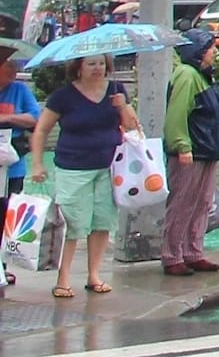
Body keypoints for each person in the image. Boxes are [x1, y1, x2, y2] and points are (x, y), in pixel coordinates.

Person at [31, 55, 141, 300]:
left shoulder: (116, 90)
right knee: (73, 222)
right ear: (78, 68)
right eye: (91, 64)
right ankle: (63, 278)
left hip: (109, 167)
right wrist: (37, 163)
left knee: (102, 221)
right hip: (73, 168)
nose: (97, 68)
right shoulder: (63, 96)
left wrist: (122, 105)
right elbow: (42, 129)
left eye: (101, 64)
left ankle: (94, 275)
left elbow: (132, 126)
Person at [160, 31, 219, 278]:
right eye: (211, 48)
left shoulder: (202, 76)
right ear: (199, 50)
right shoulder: (187, 76)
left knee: (202, 202)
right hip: (193, 150)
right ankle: (172, 254)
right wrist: (182, 145)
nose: (214, 52)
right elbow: (177, 114)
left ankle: (193, 251)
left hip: (207, 148)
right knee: (183, 202)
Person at [0, 43, 37, 206]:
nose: (13, 72)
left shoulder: (20, 90)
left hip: (13, 162)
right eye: (8, 68)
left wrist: (6, 118)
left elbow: (35, 118)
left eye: (15, 68)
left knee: (9, 209)